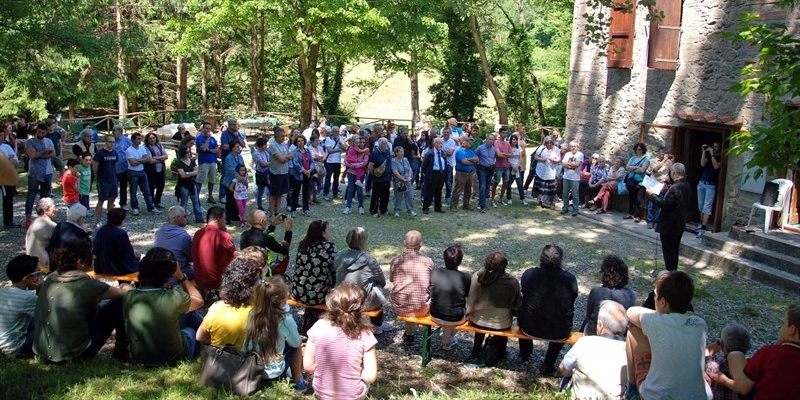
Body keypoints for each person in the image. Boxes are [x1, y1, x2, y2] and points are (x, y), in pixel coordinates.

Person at [34, 238, 133, 362]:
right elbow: (125, 293)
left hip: (41, 350)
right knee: (119, 303)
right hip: (73, 355)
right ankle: (122, 351)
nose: (94, 256)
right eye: (91, 254)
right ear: (80, 262)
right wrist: (125, 285)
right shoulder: (86, 284)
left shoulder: (51, 278)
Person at [624, 271, 712, 400]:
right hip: (700, 396)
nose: (654, 299)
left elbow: (631, 311)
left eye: (655, 296)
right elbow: (698, 316)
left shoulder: (655, 321)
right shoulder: (700, 324)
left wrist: (660, 315)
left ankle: (632, 390)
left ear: (663, 302)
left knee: (634, 329)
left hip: (656, 396)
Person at [123, 247, 204, 365]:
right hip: (172, 358)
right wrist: (181, 277)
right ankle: (201, 350)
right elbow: (198, 301)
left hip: (141, 358)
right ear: (169, 273)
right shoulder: (174, 297)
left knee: (186, 313)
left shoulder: (129, 296)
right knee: (191, 326)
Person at [303, 281, 378, 400]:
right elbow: (370, 376)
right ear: (361, 308)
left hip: (321, 392)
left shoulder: (319, 326)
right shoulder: (365, 334)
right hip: (353, 395)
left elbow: (308, 366)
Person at [711, 305, 800, 399]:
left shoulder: (770, 352)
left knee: (735, 355)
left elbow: (744, 388)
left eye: (783, 324)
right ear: (749, 347)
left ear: (792, 329)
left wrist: (723, 379)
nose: (780, 328)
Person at [518, 244, 579, 374]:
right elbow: (572, 298)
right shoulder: (569, 279)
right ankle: (548, 362)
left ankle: (525, 354)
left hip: (528, 327)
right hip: (559, 331)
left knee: (524, 312)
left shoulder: (529, 274)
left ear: (541, 258)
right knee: (561, 321)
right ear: (560, 260)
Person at [245, 277, 307, 391]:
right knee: (296, 347)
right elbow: (296, 343)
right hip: (272, 373)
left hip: (250, 367)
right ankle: (298, 382)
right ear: (282, 301)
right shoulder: (285, 320)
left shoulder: (252, 314)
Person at [559, 301, 629, 400]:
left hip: (581, 397)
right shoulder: (630, 351)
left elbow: (563, 368)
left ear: (600, 325)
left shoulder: (585, 342)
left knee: (567, 377)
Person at [465, 249, 521, 365]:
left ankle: (476, 350)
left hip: (477, 321)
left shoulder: (477, 277)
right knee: (502, 318)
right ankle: (501, 352)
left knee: (480, 318)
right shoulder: (512, 282)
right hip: (502, 324)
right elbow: (517, 306)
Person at [335, 227, 393, 334]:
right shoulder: (369, 260)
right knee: (376, 288)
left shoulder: (338, 256)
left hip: (341, 297)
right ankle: (377, 325)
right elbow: (382, 281)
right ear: (363, 242)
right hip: (362, 302)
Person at [196, 257, 262, 349]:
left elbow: (199, 337)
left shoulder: (216, 308)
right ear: (252, 288)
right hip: (246, 361)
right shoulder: (257, 313)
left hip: (217, 359)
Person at [292, 219, 337, 331]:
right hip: (319, 295)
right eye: (327, 230)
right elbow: (335, 268)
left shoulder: (303, 245)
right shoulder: (329, 247)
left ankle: (310, 318)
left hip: (299, 291)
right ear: (322, 233)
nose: (328, 233)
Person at [390, 230, 434, 343]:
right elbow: (430, 283)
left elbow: (391, 279)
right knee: (417, 295)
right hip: (422, 307)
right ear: (421, 244)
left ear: (404, 243)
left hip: (400, 306)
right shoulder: (428, 262)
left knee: (406, 294)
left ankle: (409, 333)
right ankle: (411, 333)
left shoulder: (395, 261)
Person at [647, 163, 690, 271]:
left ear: (674, 173)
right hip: (679, 224)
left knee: (669, 252)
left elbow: (665, 205)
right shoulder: (686, 186)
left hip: (669, 225)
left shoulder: (675, 188)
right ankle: (673, 273)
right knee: (674, 251)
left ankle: (671, 275)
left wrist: (652, 195)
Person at [430, 244, 471, 351]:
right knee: (467, 311)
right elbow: (468, 296)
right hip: (455, 317)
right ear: (460, 261)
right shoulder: (465, 277)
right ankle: (448, 340)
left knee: (448, 309)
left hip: (435, 314)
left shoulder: (435, 273)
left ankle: (447, 338)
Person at [0, 255, 43, 356]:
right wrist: (41, 289)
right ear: (28, 278)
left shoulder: (3, 291)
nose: (40, 277)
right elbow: (45, 315)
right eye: (38, 273)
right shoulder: (27, 297)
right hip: (14, 346)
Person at [583, 255, 636, 336]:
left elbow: (589, 315)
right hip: (619, 334)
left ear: (604, 274)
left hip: (595, 332)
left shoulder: (596, 292)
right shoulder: (631, 295)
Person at [191, 206, 236, 292]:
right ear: (219, 220)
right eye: (225, 219)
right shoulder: (224, 236)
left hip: (199, 279)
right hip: (218, 281)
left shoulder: (198, 233)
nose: (226, 222)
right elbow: (234, 258)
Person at [705, 322, 752, 400]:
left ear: (722, 345)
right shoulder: (753, 366)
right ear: (749, 347)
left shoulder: (716, 364)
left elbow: (701, 355)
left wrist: (717, 344)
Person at [239, 210, 293, 276]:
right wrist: (288, 231)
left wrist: (273, 225)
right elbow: (284, 250)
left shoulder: (244, 235)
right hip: (261, 275)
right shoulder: (265, 238)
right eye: (266, 220)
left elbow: (264, 239)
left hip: (246, 271)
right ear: (262, 221)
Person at [93, 208, 139, 275]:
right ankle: (134, 284)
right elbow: (127, 254)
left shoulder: (101, 230)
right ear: (122, 220)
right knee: (138, 260)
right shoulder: (121, 234)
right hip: (115, 268)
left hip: (100, 266)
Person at [24, 123, 55, 224]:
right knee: (31, 195)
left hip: (47, 172)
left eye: (43, 132)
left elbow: (53, 154)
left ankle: (44, 217)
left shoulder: (49, 141)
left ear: (46, 132)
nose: (41, 134)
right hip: (34, 172)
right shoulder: (30, 142)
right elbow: (32, 156)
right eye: (39, 132)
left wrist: (39, 154)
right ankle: (28, 218)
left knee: (46, 196)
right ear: (36, 131)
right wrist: (45, 151)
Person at [154, 206, 195, 280]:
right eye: (185, 216)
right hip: (179, 275)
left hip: (161, 274)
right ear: (177, 219)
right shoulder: (184, 236)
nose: (187, 219)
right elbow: (191, 258)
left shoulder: (158, 232)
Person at [125, 132, 160, 216]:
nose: (140, 140)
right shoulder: (129, 150)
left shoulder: (142, 148)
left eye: (140, 138)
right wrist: (141, 160)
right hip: (132, 172)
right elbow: (132, 163)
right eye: (138, 139)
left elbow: (147, 158)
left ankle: (150, 207)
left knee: (147, 191)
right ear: (133, 140)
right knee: (133, 191)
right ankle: (135, 208)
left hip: (142, 171)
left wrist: (138, 160)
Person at [92, 135, 119, 227]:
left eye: (113, 142)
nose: (112, 144)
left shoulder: (115, 153)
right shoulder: (99, 154)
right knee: (101, 201)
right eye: (110, 142)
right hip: (103, 181)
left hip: (113, 179)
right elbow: (95, 167)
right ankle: (98, 220)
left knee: (112, 200)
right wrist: (98, 176)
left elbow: (114, 165)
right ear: (106, 142)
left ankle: (110, 220)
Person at [696, 142, 721, 236]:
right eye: (713, 146)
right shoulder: (707, 154)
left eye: (716, 147)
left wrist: (712, 154)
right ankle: (702, 223)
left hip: (711, 185)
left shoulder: (720, 157)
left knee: (707, 206)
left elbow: (716, 167)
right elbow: (702, 164)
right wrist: (703, 151)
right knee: (701, 205)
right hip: (702, 183)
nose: (714, 148)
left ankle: (703, 227)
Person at [174, 144, 204, 223]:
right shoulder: (179, 162)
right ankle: (182, 219)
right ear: (183, 153)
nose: (189, 153)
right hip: (183, 185)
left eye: (189, 152)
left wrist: (188, 173)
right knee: (184, 203)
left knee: (196, 201)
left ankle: (199, 218)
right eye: (187, 152)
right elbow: (182, 175)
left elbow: (196, 171)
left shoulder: (192, 161)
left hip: (192, 183)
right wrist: (191, 173)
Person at [219, 119, 247, 204]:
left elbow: (243, 145)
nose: (236, 126)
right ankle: (222, 195)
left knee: (237, 174)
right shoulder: (225, 134)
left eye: (236, 124)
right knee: (226, 176)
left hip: (237, 158)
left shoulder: (239, 133)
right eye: (234, 124)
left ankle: (237, 192)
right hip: (228, 157)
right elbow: (224, 146)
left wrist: (238, 137)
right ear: (229, 125)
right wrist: (234, 147)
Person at [267, 127, 293, 218]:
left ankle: (277, 212)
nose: (283, 138)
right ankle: (271, 213)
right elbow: (280, 159)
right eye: (282, 136)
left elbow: (291, 155)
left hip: (284, 172)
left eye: (284, 136)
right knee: (274, 194)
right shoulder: (273, 145)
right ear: (276, 136)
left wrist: (284, 157)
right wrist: (286, 157)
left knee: (280, 194)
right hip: (276, 173)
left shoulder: (284, 145)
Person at [25, 198, 57, 268]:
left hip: (30, 257)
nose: (56, 210)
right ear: (45, 210)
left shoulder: (35, 222)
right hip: (42, 262)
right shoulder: (49, 224)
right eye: (54, 207)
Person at [646, 149, 674, 230]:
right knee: (651, 204)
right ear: (658, 153)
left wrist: (672, 161)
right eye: (662, 153)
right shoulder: (653, 161)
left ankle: (657, 222)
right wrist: (664, 160)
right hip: (654, 184)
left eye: (665, 153)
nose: (664, 155)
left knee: (660, 204)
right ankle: (650, 221)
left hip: (662, 185)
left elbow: (672, 170)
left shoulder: (668, 162)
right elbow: (655, 170)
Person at [342, 135, 369, 215]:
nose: (361, 144)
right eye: (360, 142)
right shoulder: (352, 148)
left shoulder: (366, 151)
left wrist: (355, 165)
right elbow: (346, 159)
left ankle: (361, 206)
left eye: (363, 142)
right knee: (350, 190)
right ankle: (348, 206)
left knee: (359, 191)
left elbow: (365, 162)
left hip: (360, 173)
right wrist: (350, 165)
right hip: (351, 172)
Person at [532, 136, 561, 209]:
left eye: (550, 143)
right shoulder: (542, 148)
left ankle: (551, 203)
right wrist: (542, 159)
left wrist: (554, 160)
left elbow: (559, 159)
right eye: (547, 143)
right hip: (541, 170)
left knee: (551, 188)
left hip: (551, 170)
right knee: (541, 187)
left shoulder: (556, 149)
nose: (549, 144)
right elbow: (535, 157)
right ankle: (540, 201)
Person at [624, 143, 650, 223]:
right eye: (637, 149)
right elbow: (627, 167)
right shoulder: (632, 158)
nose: (638, 150)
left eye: (640, 149)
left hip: (640, 182)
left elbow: (642, 170)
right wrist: (636, 167)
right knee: (631, 197)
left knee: (639, 199)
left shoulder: (646, 160)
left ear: (643, 150)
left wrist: (633, 168)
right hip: (631, 180)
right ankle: (630, 213)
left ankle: (638, 216)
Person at [195, 122, 221, 204]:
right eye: (206, 128)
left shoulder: (213, 139)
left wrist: (210, 150)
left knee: (212, 180)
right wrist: (208, 139)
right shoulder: (199, 138)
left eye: (210, 128)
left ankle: (210, 196)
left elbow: (217, 150)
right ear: (203, 129)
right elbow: (203, 148)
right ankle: (196, 197)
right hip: (204, 161)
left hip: (213, 161)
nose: (208, 130)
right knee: (200, 180)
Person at [289, 135, 314, 218]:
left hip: (308, 174)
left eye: (302, 140)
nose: (301, 142)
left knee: (306, 192)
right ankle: (293, 209)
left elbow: (312, 162)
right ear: (296, 142)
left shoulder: (307, 151)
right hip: (298, 175)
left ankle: (306, 209)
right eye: (299, 141)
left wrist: (310, 170)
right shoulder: (294, 152)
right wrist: (303, 170)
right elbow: (295, 163)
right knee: (296, 193)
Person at [221, 141, 246, 223]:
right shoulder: (228, 158)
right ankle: (227, 217)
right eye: (237, 147)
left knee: (237, 200)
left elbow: (243, 167)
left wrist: (243, 176)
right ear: (232, 148)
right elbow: (231, 171)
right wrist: (241, 178)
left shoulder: (240, 157)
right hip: (230, 182)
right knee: (230, 200)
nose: (239, 148)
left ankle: (235, 215)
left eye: (239, 147)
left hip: (239, 183)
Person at [452, 136, 478, 211]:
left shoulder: (471, 151)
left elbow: (477, 159)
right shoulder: (459, 151)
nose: (470, 144)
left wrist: (470, 159)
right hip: (461, 173)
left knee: (468, 190)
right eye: (469, 142)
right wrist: (471, 160)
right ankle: (454, 205)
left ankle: (466, 204)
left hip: (470, 173)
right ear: (464, 143)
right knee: (458, 189)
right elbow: (464, 162)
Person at [368, 137, 392, 217]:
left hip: (387, 178)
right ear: (381, 144)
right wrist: (374, 174)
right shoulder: (375, 153)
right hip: (378, 178)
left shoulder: (388, 152)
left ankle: (384, 210)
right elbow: (370, 166)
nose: (387, 145)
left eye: (387, 143)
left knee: (385, 195)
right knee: (376, 195)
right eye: (385, 143)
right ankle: (373, 211)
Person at [421, 137, 446, 214]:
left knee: (439, 191)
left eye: (441, 143)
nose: (440, 145)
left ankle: (438, 207)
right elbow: (424, 166)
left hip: (441, 173)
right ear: (434, 144)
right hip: (433, 174)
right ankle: (425, 207)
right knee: (430, 191)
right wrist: (427, 175)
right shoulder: (430, 153)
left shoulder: (442, 153)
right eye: (439, 143)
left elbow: (444, 163)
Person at [144, 132, 168, 209]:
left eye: (153, 138)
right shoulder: (146, 148)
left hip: (161, 170)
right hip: (151, 171)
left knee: (161, 186)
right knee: (151, 187)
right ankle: (151, 203)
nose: (152, 140)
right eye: (150, 138)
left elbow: (166, 156)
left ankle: (158, 201)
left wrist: (155, 158)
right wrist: (161, 158)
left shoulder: (160, 146)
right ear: (147, 140)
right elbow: (150, 160)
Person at [111, 125, 132, 210]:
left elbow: (132, 150)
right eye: (112, 130)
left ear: (120, 131)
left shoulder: (126, 140)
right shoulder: (111, 140)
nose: (112, 132)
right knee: (113, 187)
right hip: (113, 168)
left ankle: (123, 203)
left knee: (123, 187)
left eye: (114, 130)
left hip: (124, 168)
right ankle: (111, 203)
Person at [390, 146, 416, 217]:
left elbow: (409, 168)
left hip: (407, 180)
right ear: (396, 153)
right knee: (398, 196)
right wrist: (402, 179)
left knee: (409, 195)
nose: (402, 153)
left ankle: (410, 210)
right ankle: (397, 210)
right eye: (401, 152)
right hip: (399, 181)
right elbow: (395, 171)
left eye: (403, 151)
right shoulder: (394, 161)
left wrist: (409, 177)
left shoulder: (405, 159)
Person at [561, 141, 584, 217]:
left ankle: (575, 210)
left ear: (578, 147)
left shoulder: (580, 155)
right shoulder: (567, 154)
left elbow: (577, 165)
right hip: (566, 177)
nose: (573, 148)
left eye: (575, 146)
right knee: (565, 194)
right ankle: (565, 208)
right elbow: (563, 164)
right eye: (572, 146)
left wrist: (568, 164)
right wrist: (571, 165)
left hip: (575, 178)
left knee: (575, 195)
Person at [491, 126, 512, 207]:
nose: (505, 134)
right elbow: (498, 155)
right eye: (503, 133)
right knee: (496, 182)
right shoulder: (496, 143)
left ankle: (501, 199)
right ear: (499, 133)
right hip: (499, 166)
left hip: (506, 166)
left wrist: (504, 154)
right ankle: (492, 199)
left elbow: (512, 154)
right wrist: (506, 155)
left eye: (506, 133)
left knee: (505, 183)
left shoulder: (507, 143)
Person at [1, 138, 19, 227]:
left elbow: (15, 161)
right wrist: (8, 159)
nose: (1, 138)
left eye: (2, 136)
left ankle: (8, 221)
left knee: (8, 199)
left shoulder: (6, 147)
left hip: (6, 177)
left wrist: (8, 161)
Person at [322, 125, 344, 201]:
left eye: (338, 131)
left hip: (337, 161)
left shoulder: (340, 139)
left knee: (336, 178)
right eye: (336, 132)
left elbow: (344, 149)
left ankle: (335, 193)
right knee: (328, 178)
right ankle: (326, 193)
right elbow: (329, 150)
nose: (337, 133)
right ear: (332, 132)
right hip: (329, 161)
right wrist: (338, 150)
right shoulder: (328, 139)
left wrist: (339, 142)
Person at [252, 137, 270, 211]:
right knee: (261, 190)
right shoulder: (256, 154)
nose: (266, 146)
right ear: (260, 145)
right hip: (261, 173)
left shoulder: (266, 153)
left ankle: (270, 205)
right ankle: (259, 205)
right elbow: (263, 164)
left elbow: (267, 162)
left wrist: (268, 163)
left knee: (269, 190)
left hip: (267, 172)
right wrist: (271, 163)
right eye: (264, 145)